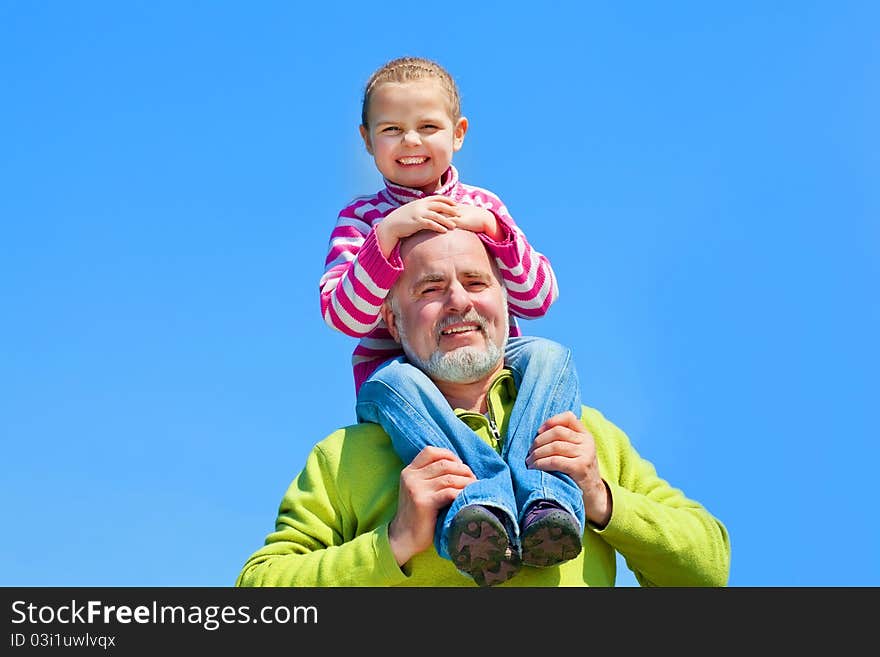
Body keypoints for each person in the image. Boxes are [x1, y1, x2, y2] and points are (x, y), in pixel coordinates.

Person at [238, 228, 731, 587]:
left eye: (476, 283)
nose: (457, 301)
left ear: (506, 304)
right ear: (392, 321)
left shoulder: (584, 434)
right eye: (430, 289)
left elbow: (709, 568)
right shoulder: (345, 456)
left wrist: (602, 499)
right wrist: (394, 542)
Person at [319, 56, 586, 585]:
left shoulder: (484, 206)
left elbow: (540, 297)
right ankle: (480, 507)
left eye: (428, 127)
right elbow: (340, 316)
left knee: (548, 354)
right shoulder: (363, 220)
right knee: (396, 379)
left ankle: (545, 502)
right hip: (402, 377)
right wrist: (388, 237)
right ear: (367, 141)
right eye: (391, 130)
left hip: (484, 360)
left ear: (458, 133)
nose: (411, 142)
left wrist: (495, 230)